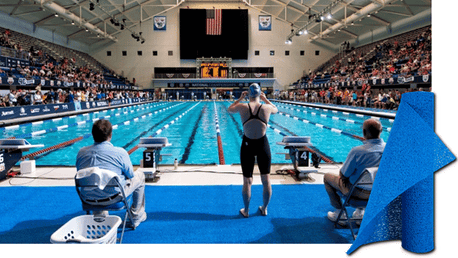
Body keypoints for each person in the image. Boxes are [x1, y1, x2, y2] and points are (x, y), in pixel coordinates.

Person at [76, 119, 146, 228]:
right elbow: (131, 175)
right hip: (114, 198)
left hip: (88, 199)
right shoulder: (120, 153)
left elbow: (81, 174)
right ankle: (136, 216)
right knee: (140, 175)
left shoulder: (81, 152)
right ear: (110, 135)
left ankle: (99, 214)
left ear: (93, 135)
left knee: (94, 178)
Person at [228, 83, 278, 218]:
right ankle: (265, 208)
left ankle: (246, 210)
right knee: (266, 179)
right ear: (260, 93)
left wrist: (240, 98)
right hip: (263, 144)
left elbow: (229, 109)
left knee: (247, 181)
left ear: (248, 94)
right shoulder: (267, 107)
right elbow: (276, 109)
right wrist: (265, 99)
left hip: (247, 144)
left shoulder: (242, 107)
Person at [324, 119, 385, 224]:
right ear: (381, 131)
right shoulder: (389, 150)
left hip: (356, 193)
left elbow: (344, 175)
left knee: (327, 177)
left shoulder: (357, 151)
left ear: (364, 132)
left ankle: (340, 213)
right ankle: (360, 213)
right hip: (378, 193)